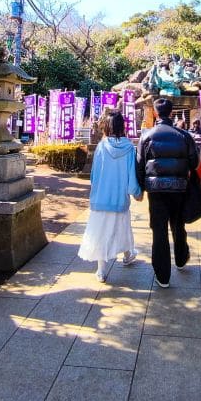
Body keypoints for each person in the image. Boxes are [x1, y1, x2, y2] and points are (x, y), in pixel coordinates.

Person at [136, 97, 199, 287]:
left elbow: (139, 165)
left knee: (159, 230)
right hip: (179, 187)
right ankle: (181, 258)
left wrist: (141, 188)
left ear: (155, 113)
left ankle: (162, 276)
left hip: (155, 191)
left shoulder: (147, 136)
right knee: (178, 225)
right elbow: (195, 162)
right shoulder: (184, 135)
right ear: (171, 113)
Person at [78, 111, 142, 282]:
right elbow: (131, 175)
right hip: (119, 198)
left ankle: (101, 271)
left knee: (100, 233)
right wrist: (136, 192)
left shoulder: (101, 146)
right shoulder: (129, 148)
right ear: (122, 126)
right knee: (123, 228)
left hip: (101, 197)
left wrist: (96, 191)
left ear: (105, 126)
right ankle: (128, 255)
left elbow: (94, 175)